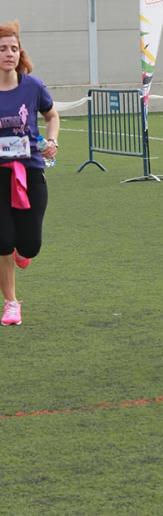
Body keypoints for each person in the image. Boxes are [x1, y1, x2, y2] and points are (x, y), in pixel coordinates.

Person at [0, 20, 59, 326]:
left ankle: (24, 252)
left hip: (31, 173)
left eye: (13, 48)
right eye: (2, 49)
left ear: (20, 52)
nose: (8, 53)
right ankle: (11, 303)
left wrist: (52, 141)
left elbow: (52, 115)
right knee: (2, 241)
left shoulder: (32, 87)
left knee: (29, 245)